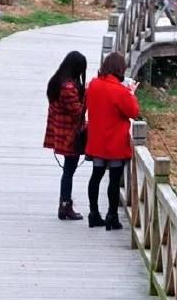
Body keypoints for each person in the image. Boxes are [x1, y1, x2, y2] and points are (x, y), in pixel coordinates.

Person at [85, 51, 140, 231]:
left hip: (96, 139)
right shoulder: (119, 91)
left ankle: (93, 213)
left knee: (96, 176)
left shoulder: (93, 85)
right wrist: (131, 93)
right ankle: (112, 216)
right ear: (119, 69)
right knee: (114, 181)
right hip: (115, 141)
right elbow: (133, 112)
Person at [44, 50, 87, 221]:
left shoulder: (56, 81)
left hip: (60, 130)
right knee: (69, 170)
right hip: (69, 134)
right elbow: (77, 111)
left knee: (69, 170)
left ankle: (65, 204)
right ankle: (65, 205)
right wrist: (87, 96)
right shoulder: (68, 87)